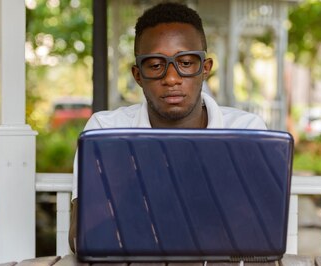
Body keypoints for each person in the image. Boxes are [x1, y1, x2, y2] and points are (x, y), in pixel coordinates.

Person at [69, 2, 266, 251]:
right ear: (138, 75)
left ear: (205, 69)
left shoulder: (246, 130)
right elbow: (81, 238)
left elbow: (255, 231)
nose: (171, 78)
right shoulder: (106, 130)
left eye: (185, 63)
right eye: (155, 65)